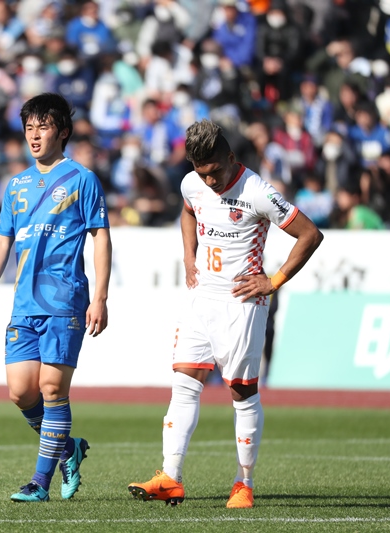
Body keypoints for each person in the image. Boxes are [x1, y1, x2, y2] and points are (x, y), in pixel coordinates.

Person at [127, 119, 323, 509]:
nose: (210, 181)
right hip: (202, 297)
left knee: (241, 391)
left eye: (215, 171)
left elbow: (310, 234)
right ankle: (170, 477)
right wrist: (189, 257)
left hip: (242, 303)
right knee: (184, 381)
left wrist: (274, 280)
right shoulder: (192, 183)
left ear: (231, 157)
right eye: (203, 173)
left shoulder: (258, 191)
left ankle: (243, 483)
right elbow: (188, 212)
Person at [0, 93, 112, 503]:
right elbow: (2, 241)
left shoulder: (82, 179)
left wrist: (100, 297)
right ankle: (68, 448)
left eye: (43, 127)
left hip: (65, 300)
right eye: (29, 128)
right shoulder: (16, 185)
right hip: (24, 303)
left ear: (62, 132)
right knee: (20, 392)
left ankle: (39, 483)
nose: (34, 136)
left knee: (52, 388)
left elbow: (101, 238)